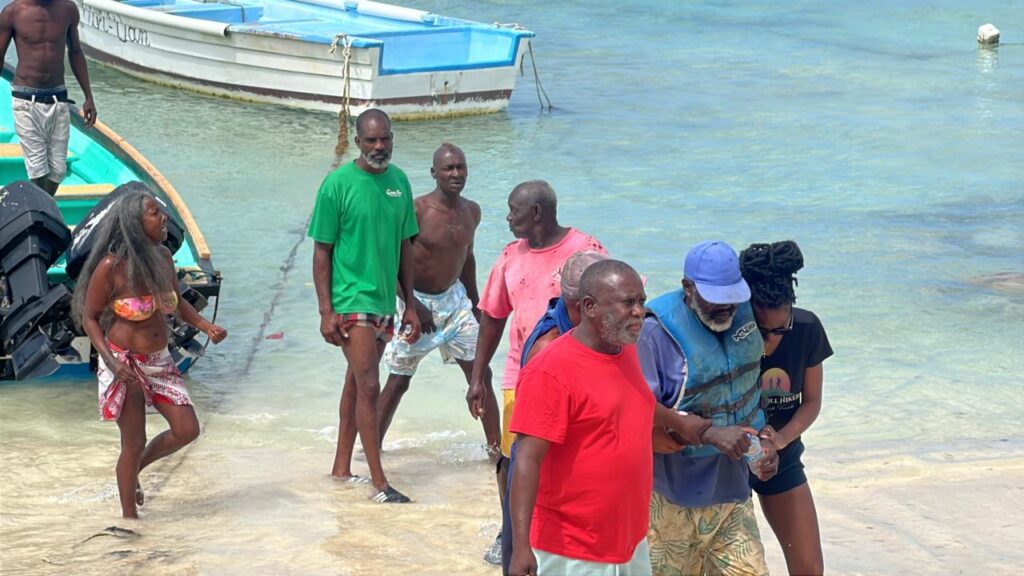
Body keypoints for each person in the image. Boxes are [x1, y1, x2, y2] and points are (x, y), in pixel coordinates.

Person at [466, 180, 606, 559]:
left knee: (571, 458)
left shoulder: (585, 251)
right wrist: (478, 377)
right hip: (521, 377)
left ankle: (568, 529)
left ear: (537, 213)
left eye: (514, 210)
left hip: (580, 378)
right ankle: (509, 529)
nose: (508, 217)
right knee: (514, 460)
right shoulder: (511, 257)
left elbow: (614, 307)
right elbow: (492, 318)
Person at [71, 190, 227, 519]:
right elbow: (89, 317)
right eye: (155, 213)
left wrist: (204, 325)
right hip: (124, 363)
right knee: (134, 440)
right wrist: (111, 363)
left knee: (187, 429)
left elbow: (177, 301)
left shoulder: (163, 257)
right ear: (135, 223)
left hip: (159, 360)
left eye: (162, 212)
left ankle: (134, 470)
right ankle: (130, 521)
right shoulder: (112, 267)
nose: (164, 218)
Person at [638, 240, 779, 576]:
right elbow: (634, 418)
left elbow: (749, 392)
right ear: (688, 288)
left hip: (732, 494)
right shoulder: (652, 336)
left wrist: (766, 442)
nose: (726, 309)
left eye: (732, 298)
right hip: (670, 500)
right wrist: (709, 434)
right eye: (715, 300)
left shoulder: (746, 316)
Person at [508, 260, 653, 576]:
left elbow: (629, 411)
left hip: (629, 540)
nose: (639, 312)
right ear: (590, 306)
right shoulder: (549, 369)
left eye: (641, 301)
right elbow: (527, 460)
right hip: (572, 549)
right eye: (628, 303)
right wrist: (520, 546)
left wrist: (696, 428)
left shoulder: (624, 349)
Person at [309, 109, 421, 504]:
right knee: (371, 385)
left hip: (384, 303)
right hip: (350, 300)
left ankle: (341, 468)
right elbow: (321, 252)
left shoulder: (400, 183)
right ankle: (378, 482)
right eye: (371, 140)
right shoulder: (336, 185)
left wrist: (410, 303)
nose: (379, 147)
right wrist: (326, 311)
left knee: (356, 382)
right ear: (357, 141)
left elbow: (406, 246)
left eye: (385, 139)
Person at [378, 143, 499, 455]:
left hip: (455, 303)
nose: (455, 173)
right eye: (448, 168)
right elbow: (389, 259)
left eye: (460, 167)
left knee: (480, 374)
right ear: (434, 173)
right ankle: (370, 449)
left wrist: (476, 306)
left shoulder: (472, 211)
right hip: (414, 302)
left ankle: (497, 452)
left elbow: (466, 259)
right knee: (398, 380)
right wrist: (411, 306)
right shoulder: (417, 210)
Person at [498, 249, 607, 572]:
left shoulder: (592, 334)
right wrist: (521, 544)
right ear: (582, 306)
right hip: (545, 481)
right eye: (614, 302)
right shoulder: (549, 349)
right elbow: (530, 452)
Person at [740, 241, 832, 576]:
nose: (769, 341)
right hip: (728, 457)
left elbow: (811, 401)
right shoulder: (729, 332)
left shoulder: (807, 329)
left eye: (779, 330)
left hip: (782, 452)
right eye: (761, 330)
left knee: (809, 568)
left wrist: (779, 439)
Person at [0, 0, 97, 195]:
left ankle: (44, 208)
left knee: (58, 171)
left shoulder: (68, 10)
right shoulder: (12, 13)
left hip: (58, 99)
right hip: (25, 100)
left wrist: (89, 97)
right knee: (38, 171)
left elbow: (76, 52)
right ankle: (43, 215)